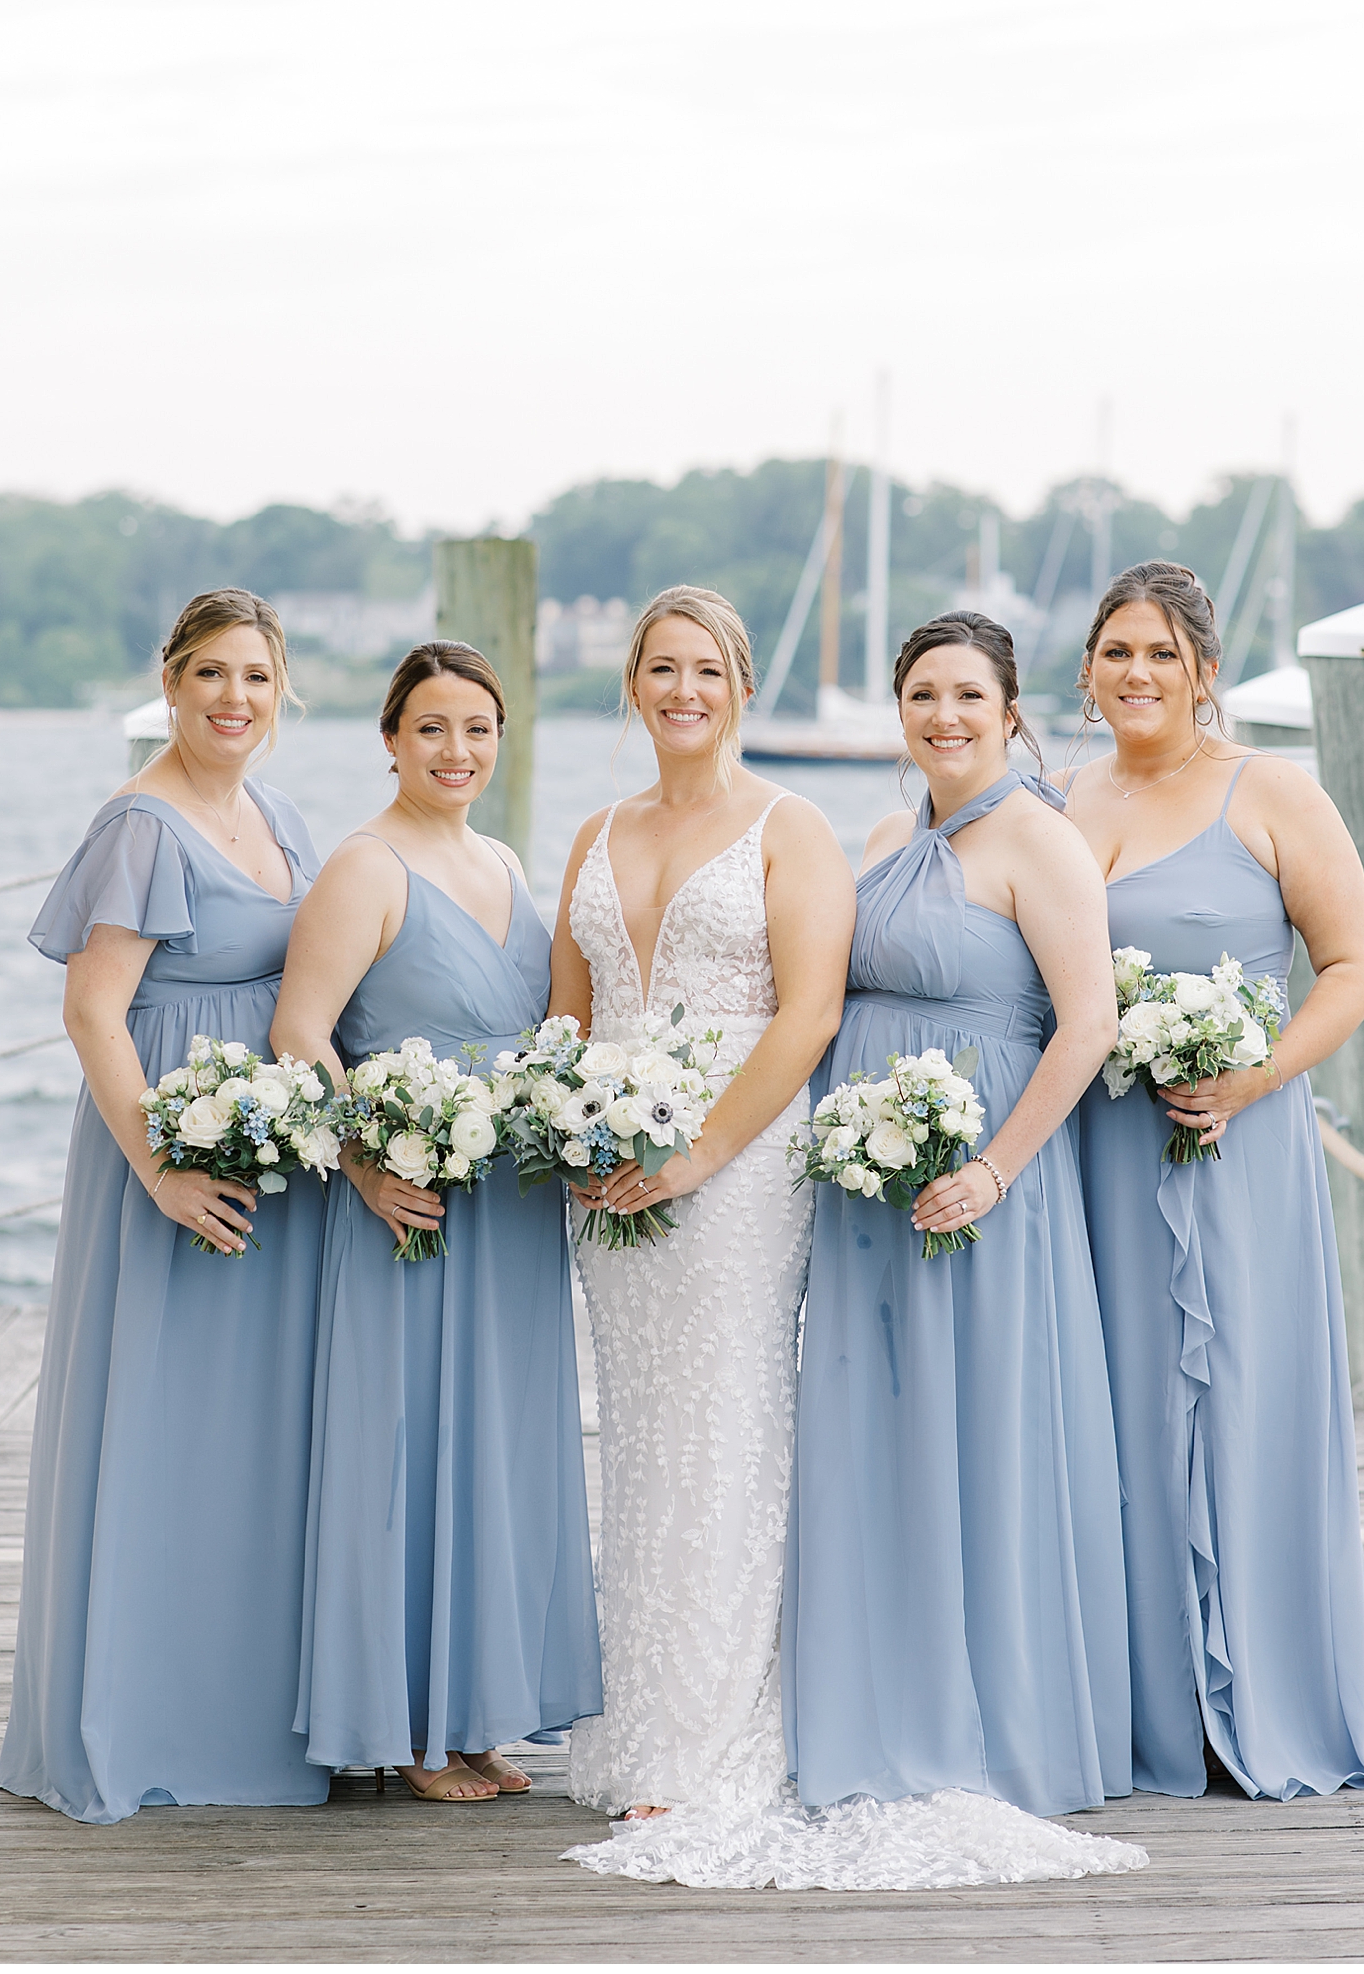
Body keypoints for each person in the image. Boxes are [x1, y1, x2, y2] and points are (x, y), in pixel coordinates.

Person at [1062, 560, 1364, 1800]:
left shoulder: (1272, 791)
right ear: (1088, 669)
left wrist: (1252, 1080)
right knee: (1118, 1421)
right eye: (1117, 651)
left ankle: (1257, 1695)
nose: (1138, 673)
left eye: (1162, 652)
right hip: (1098, 1161)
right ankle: (1149, 1703)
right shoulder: (1057, 800)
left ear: (1205, 670)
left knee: (1241, 1407)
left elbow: (1354, 969)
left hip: (1235, 1151)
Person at [785, 613, 1132, 1830]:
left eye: (968, 694)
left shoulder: (1043, 837)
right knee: (876, 1428)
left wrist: (990, 1170)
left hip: (982, 1186)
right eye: (923, 693)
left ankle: (989, 1714)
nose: (944, 714)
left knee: (978, 1429)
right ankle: (872, 1691)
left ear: (1011, 707)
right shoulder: (886, 835)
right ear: (899, 707)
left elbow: (1084, 1022)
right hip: (866, 1187)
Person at [0, 589, 329, 1823]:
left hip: (272, 1156)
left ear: (279, 687)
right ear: (171, 684)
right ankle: (140, 1716)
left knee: (253, 1437)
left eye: (255, 675)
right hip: (170, 1155)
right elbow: (93, 1009)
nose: (233, 698)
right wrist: (163, 1167)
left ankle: (249, 1709)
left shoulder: (280, 815)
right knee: (164, 1421)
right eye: (210, 675)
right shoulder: (141, 821)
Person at [549, 586, 856, 1828]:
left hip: (738, 1163)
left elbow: (809, 1012)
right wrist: (563, 1118)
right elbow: (567, 1013)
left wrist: (701, 1153)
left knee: (727, 1426)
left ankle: (717, 1741)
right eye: (662, 668)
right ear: (633, 684)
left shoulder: (793, 826)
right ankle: (647, 1725)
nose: (684, 690)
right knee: (637, 1430)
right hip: (610, 1168)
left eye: (708, 670)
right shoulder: (590, 832)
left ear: (741, 687)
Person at [273, 642, 600, 1802]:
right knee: (410, 1445)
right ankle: (405, 1726)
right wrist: (364, 1157)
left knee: (495, 1447)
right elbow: (303, 1031)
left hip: (510, 1202)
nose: (457, 751)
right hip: (413, 1203)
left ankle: (471, 1716)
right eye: (431, 729)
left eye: (478, 730)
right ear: (390, 738)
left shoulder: (504, 859)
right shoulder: (365, 866)